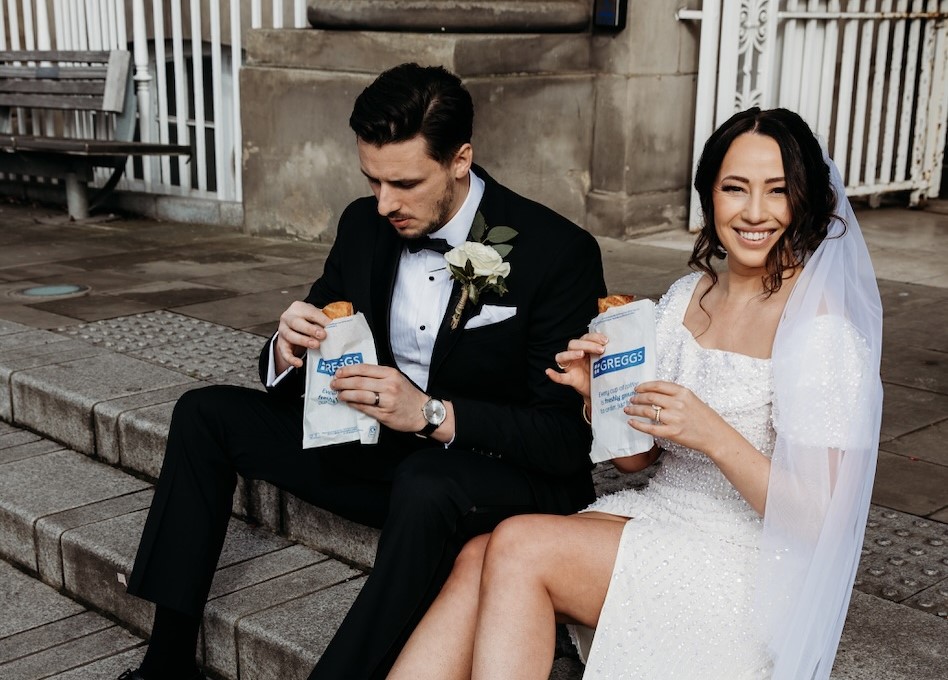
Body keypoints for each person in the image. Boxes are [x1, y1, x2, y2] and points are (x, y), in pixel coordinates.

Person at [117, 63, 606, 680]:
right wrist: (287, 349)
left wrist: (430, 414)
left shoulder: (557, 252)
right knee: (204, 414)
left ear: (461, 158)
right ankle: (165, 666)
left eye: (403, 183)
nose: (384, 203)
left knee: (430, 481)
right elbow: (321, 344)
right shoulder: (362, 225)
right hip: (377, 454)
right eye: (371, 180)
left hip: (490, 475)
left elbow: (565, 442)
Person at [387, 107, 883, 680]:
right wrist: (599, 398)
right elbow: (636, 460)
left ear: (806, 201)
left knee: (521, 545)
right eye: (734, 189)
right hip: (661, 516)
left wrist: (713, 434)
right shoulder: (684, 298)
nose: (753, 212)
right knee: (480, 553)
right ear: (709, 197)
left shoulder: (821, 331)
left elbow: (821, 520)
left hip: (749, 560)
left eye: (777, 191)